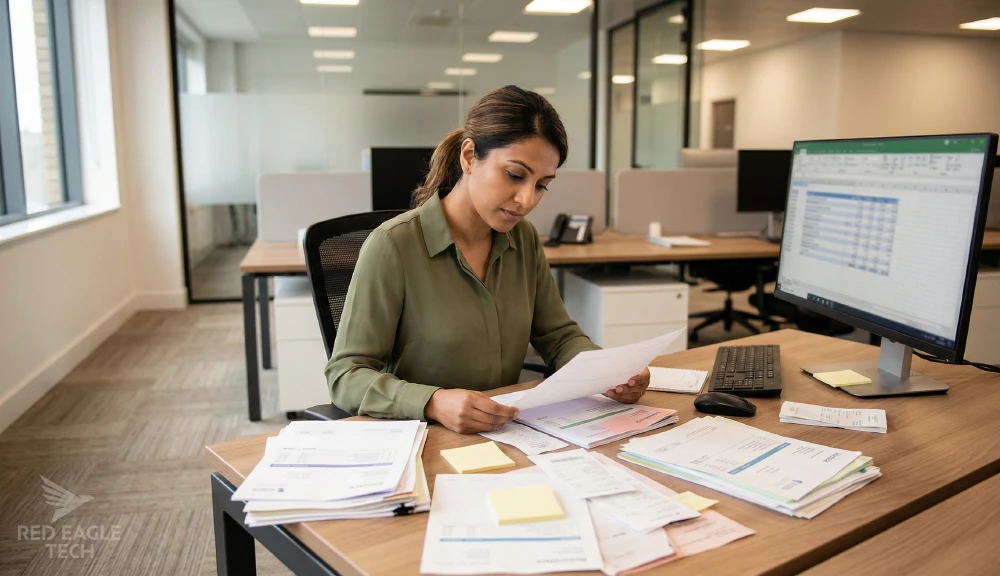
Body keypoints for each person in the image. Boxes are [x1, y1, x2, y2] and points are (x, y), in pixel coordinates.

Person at [325, 85, 650, 434]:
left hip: (507, 431)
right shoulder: (393, 245)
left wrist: (608, 370)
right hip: (425, 437)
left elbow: (558, 336)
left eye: (542, 185)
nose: (527, 199)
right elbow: (346, 376)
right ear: (468, 156)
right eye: (514, 175)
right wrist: (433, 402)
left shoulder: (523, 239)